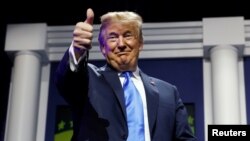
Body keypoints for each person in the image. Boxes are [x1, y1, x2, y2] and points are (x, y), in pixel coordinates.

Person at [54, 8, 197, 141]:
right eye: (113, 37)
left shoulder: (168, 92)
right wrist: (77, 50)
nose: (121, 44)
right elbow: (66, 81)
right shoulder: (88, 79)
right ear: (103, 47)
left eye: (128, 35)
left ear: (140, 43)